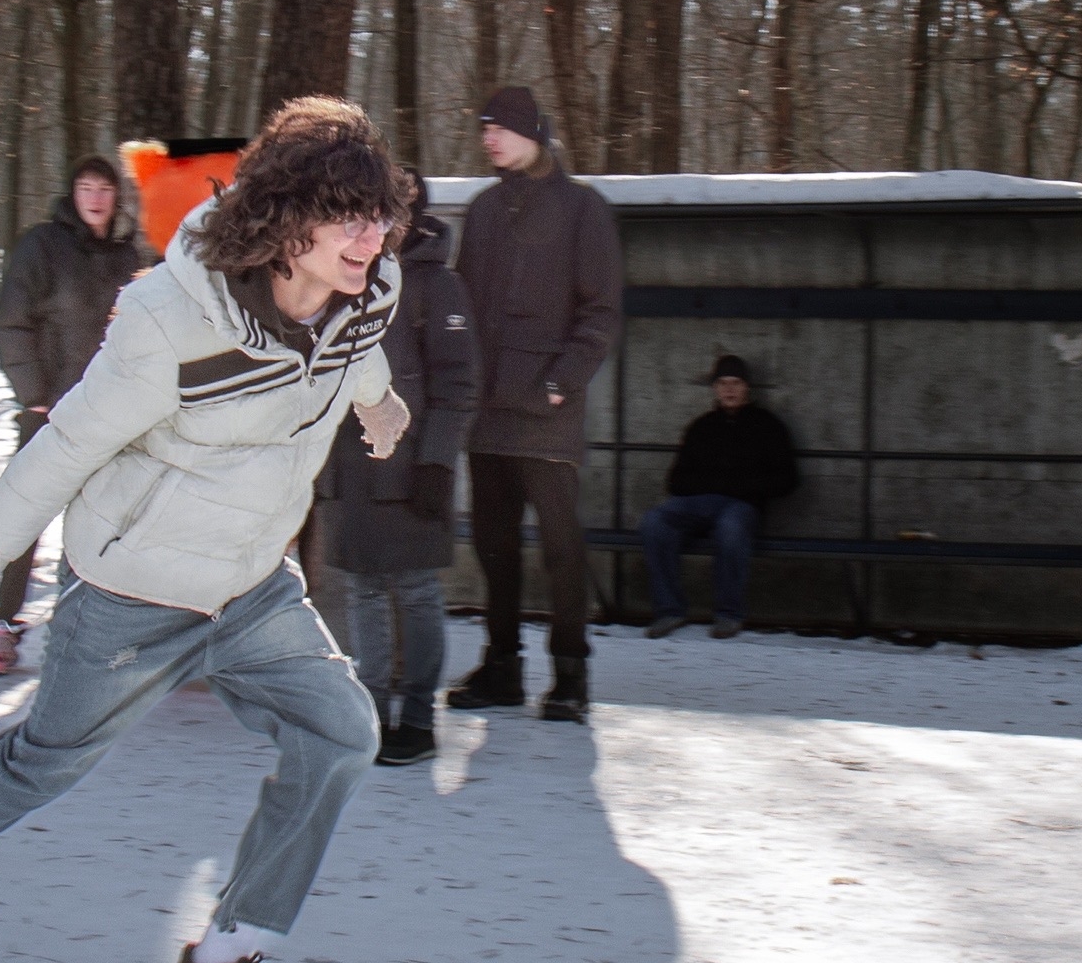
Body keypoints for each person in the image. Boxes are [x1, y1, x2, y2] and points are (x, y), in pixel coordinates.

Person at [0, 97, 412, 963]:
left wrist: (380, 400)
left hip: (250, 582)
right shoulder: (173, 321)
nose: (372, 236)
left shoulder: (366, 289)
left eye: (379, 214)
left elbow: (351, 352)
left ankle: (224, 959)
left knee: (343, 733)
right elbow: (70, 439)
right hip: (132, 589)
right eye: (348, 216)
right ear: (287, 221)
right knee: (45, 762)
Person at [448, 86, 621, 723]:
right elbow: (462, 305)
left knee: (560, 550)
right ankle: (502, 668)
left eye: (500, 128)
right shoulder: (484, 210)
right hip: (487, 412)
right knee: (493, 548)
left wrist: (560, 382)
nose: (489, 138)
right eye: (484, 128)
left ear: (534, 133)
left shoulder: (582, 208)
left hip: (547, 415)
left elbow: (601, 311)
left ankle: (570, 675)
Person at [315, 168, 476, 766]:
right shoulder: (343, 276)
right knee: (361, 590)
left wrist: (436, 463)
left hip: (412, 471)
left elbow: (457, 383)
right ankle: (374, 712)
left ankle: (419, 717)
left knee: (415, 591)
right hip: (349, 468)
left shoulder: (438, 286)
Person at [0, 154, 150, 675]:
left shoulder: (130, 256)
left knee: (104, 524)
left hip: (111, 415)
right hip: (50, 410)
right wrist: (33, 393)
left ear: (116, 197)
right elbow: (13, 321)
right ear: (73, 195)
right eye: (86, 187)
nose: (95, 197)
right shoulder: (42, 246)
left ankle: (85, 634)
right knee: (25, 518)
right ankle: (1, 627)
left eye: (104, 188)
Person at [640, 355, 799, 640]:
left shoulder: (768, 425)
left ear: (747, 387)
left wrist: (741, 488)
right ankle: (669, 610)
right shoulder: (701, 427)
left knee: (730, 526)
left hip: (742, 507)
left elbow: (788, 480)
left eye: (735, 383)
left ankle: (729, 614)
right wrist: (718, 484)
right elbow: (675, 481)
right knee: (654, 522)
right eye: (723, 383)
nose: (729, 390)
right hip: (697, 504)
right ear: (714, 388)